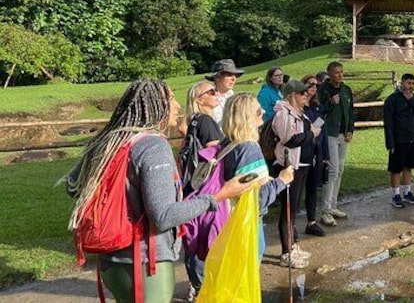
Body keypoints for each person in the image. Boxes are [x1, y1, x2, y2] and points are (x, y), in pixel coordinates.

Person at [65, 79, 256, 303]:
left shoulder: (107, 141)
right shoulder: (153, 146)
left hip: (110, 262)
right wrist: (219, 195)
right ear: (156, 106)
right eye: (171, 99)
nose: (176, 105)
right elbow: (164, 216)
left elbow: (73, 187)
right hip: (145, 264)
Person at [184, 93, 294, 300]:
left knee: (224, 279)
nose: (262, 114)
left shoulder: (227, 143)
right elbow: (257, 199)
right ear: (248, 116)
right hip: (244, 226)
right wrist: (282, 180)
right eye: (259, 111)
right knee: (238, 284)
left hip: (223, 220)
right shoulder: (249, 148)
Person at [272, 79, 321, 268]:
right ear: (292, 95)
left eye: (306, 93)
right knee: (287, 209)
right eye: (302, 93)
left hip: (302, 164)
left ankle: (292, 245)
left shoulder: (299, 113)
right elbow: (289, 140)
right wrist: (311, 134)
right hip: (289, 165)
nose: (306, 95)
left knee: (293, 209)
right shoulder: (284, 113)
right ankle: (286, 252)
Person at [317, 60, 354, 227]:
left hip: (343, 134)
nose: (340, 74)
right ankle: (325, 210)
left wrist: (350, 129)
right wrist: (331, 103)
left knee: (340, 170)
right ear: (330, 74)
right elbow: (321, 111)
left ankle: (333, 205)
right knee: (332, 170)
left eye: (341, 71)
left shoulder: (346, 90)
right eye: (336, 72)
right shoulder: (323, 90)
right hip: (330, 133)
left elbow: (351, 111)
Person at [383, 73, 414, 208]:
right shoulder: (392, 99)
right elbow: (388, 122)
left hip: (412, 138)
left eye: (413, 83)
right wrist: (390, 142)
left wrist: (411, 100)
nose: (410, 86)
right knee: (396, 168)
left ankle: (407, 192)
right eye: (408, 83)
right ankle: (395, 194)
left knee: (408, 166)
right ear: (402, 83)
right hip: (398, 139)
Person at [301, 74, 328, 237]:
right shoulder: (298, 107)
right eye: (310, 84)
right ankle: (290, 224)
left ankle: (311, 221)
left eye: (316, 85)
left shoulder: (318, 108)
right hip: (302, 151)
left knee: (312, 187)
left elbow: (322, 131)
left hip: (316, 150)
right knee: (297, 189)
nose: (313, 87)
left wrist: (325, 154)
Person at [206, 59, 244, 124]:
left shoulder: (231, 95)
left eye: (235, 75)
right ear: (217, 77)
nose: (233, 79)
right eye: (229, 75)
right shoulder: (208, 98)